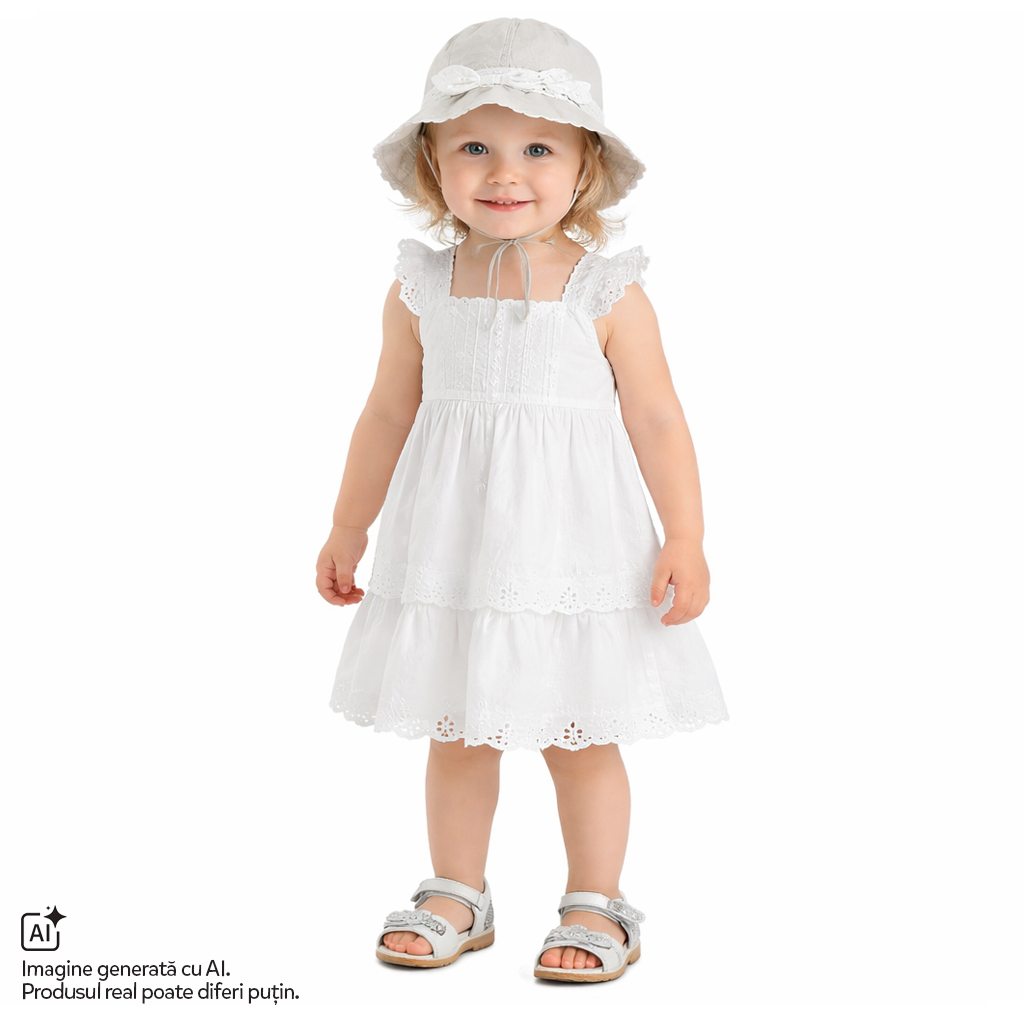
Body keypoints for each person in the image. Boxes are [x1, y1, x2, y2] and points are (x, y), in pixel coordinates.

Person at [315, 17, 730, 983]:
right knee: (459, 728)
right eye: (475, 147)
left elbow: (657, 417)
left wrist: (688, 536)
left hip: (573, 551)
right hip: (455, 547)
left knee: (580, 738)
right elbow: (387, 412)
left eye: (539, 148)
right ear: (434, 160)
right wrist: (347, 524)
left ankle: (597, 898)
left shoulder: (603, 289)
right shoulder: (421, 287)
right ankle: (458, 889)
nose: (506, 173)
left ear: (587, 166)